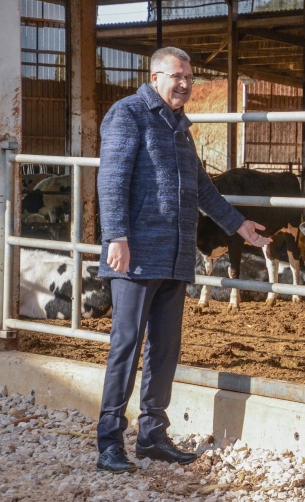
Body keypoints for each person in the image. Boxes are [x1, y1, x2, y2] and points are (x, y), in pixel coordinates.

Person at [95, 47, 270, 473]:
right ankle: (109, 441)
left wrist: (238, 225)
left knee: (165, 348)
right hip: (135, 256)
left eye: (189, 78)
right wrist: (116, 235)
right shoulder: (128, 114)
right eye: (178, 76)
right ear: (155, 76)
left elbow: (202, 188)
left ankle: (153, 434)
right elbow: (112, 178)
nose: (186, 85)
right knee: (126, 345)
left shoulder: (179, 127)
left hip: (175, 258)